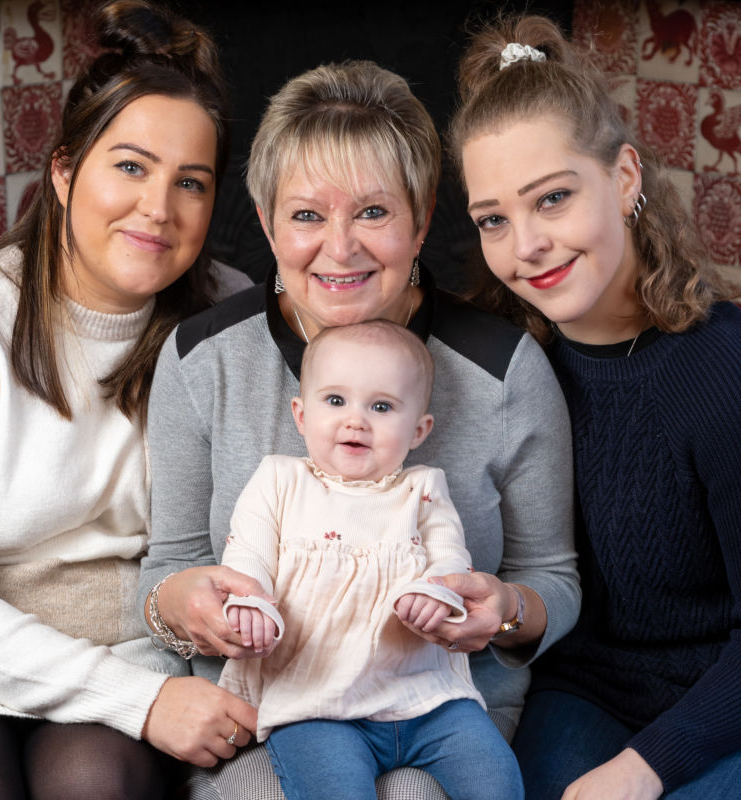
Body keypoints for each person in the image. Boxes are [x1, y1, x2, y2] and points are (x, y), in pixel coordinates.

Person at [139, 58, 580, 800]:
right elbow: (165, 569)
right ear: (266, 219)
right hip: (266, 714)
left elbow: (555, 579)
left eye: (373, 213)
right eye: (308, 215)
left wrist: (507, 614)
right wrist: (189, 607)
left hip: (444, 710)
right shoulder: (200, 360)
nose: (339, 249)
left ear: (423, 213)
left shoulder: (504, 372)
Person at [0, 2, 261, 798]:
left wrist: (151, 686)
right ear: (63, 170)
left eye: (190, 182)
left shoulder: (230, 316)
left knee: (91, 780)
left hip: (136, 654)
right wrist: (142, 702)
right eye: (130, 166)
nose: (158, 207)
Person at [450, 13, 741, 800]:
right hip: (586, 692)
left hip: (725, 699)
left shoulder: (722, 370)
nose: (525, 246)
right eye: (493, 221)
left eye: (552, 200)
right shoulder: (508, 364)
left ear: (624, 177)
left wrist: (643, 772)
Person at [218, 319, 523, 800]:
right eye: (335, 401)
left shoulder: (421, 490)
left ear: (419, 429)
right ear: (301, 416)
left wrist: (437, 592)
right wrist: (249, 604)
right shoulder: (278, 481)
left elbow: (449, 560)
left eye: (381, 406)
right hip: (315, 702)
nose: (355, 420)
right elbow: (248, 556)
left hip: (429, 700)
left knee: (498, 782)